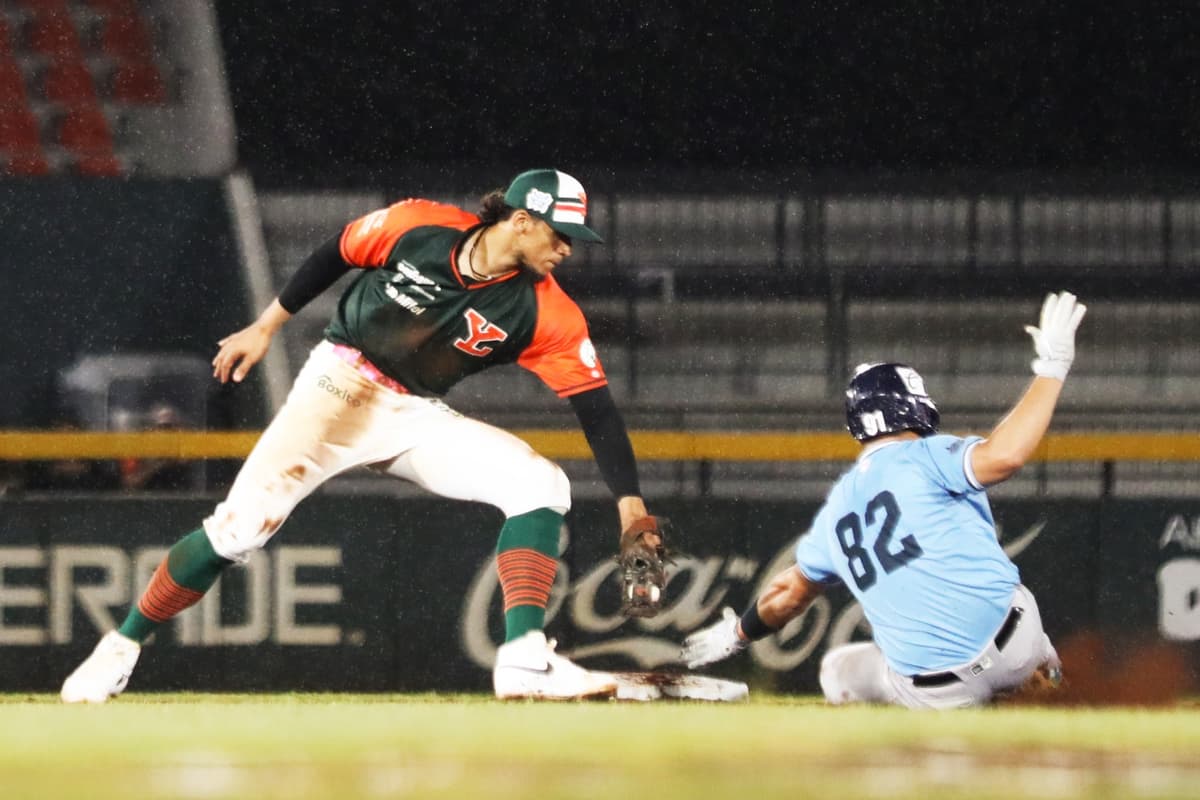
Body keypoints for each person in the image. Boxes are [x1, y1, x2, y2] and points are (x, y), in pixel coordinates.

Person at [61, 168, 657, 702]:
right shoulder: (418, 226)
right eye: (558, 233)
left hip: (415, 412)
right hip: (339, 387)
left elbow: (597, 411)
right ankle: (120, 646)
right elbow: (335, 252)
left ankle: (524, 659)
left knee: (539, 483)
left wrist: (631, 505)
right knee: (236, 532)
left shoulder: (548, 312)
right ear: (521, 221)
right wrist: (266, 326)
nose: (566, 249)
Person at [680, 291, 1087, 709]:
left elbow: (787, 596)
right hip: (1017, 640)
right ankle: (1047, 672)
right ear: (916, 406)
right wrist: (1052, 367)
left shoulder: (835, 512)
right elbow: (1005, 455)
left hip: (939, 693)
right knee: (1015, 611)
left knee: (838, 669)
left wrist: (738, 634)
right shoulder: (926, 455)